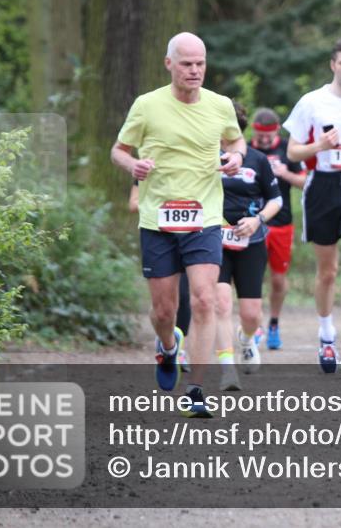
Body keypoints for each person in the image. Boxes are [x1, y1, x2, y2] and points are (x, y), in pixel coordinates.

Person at [111, 32, 245, 417]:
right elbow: (118, 151)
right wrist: (132, 165)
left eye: (200, 63)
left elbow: (237, 144)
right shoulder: (147, 105)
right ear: (169, 64)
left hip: (204, 217)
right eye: (186, 63)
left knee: (204, 299)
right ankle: (169, 346)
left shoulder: (220, 105)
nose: (194, 70)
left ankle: (196, 389)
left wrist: (235, 158)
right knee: (164, 311)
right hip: (158, 220)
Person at [284, 38, 341, 374]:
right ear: (333, 65)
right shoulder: (312, 102)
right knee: (328, 272)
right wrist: (319, 145)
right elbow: (292, 152)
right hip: (322, 187)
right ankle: (326, 335)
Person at [215, 103, 283, 391]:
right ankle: (227, 367)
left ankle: (246, 339)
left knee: (251, 314)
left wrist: (257, 221)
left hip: (250, 240)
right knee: (221, 302)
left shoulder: (257, 160)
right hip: (213, 239)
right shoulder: (205, 157)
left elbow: (276, 200)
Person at [248, 107, 307, 351]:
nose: (264, 140)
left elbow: (306, 181)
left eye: (268, 135)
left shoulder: (287, 149)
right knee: (252, 277)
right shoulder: (244, 150)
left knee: (278, 278)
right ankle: (255, 324)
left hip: (281, 223)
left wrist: (286, 174)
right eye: (260, 135)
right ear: (253, 130)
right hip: (251, 222)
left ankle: (273, 322)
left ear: (276, 131)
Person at [132, 182, 191, 370]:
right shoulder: (149, 165)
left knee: (184, 295)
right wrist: (159, 205)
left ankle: (179, 350)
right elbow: (133, 203)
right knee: (164, 308)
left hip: (191, 233)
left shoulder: (198, 160)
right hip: (160, 234)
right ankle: (166, 339)